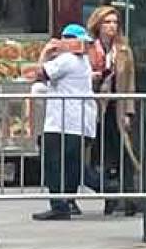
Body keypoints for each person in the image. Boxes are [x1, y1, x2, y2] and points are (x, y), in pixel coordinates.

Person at [31, 25, 99, 222]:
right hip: (77, 122)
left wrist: (45, 52)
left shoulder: (67, 60)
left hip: (61, 122)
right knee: (73, 166)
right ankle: (106, 191)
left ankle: (60, 205)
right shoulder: (82, 61)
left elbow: (40, 73)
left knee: (53, 164)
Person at [88, 6, 140, 218]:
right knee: (100, 155)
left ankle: (128, 198)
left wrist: (129, 111)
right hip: (96, 107)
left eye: (115, 22)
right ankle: (110, 196)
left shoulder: (124, 51)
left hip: (116, 108)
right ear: (98, 25)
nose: (112, 27)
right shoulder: (89, 49)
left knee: (123, 153)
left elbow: (130, 84)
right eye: (107, 22)